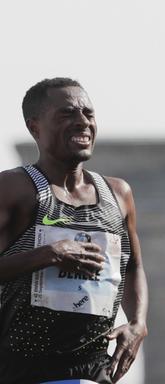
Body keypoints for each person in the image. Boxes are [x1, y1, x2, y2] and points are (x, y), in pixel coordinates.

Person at [0, 78, 148, 383]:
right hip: (23, 369)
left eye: (88, 114)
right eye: (67, 114)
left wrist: (137, 322)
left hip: (94, 369)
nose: (82, 122)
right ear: (35, 127)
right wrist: (49, 254)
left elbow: (133, 267)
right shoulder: (15, 189)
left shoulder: (118, 194)